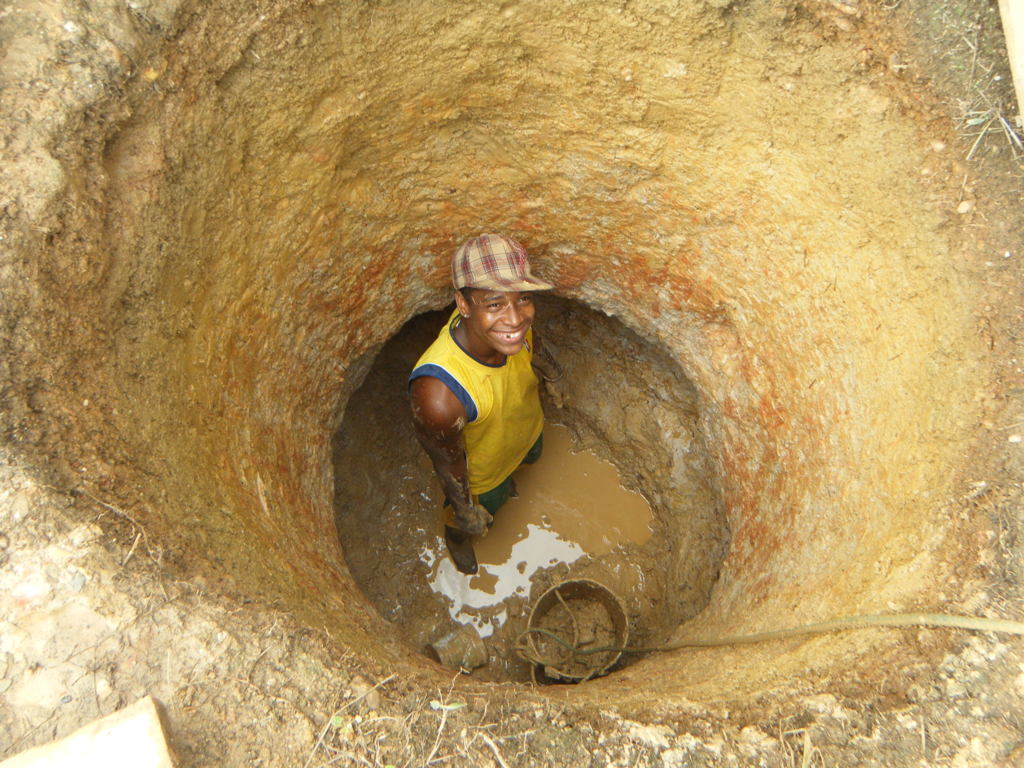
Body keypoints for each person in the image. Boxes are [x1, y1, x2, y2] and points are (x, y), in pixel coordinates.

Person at [409, 234, 554, 574]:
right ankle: (457, 540)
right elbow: (447, 464)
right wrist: (465, 512)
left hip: (526, 431)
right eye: (494, 304)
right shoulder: (440, 395)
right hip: (485, 476)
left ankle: (513, 478)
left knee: (527, 462)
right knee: (478, 515)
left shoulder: (511, 331)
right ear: (463, 304)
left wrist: (549, 376)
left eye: (523, 299)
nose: (516, 319)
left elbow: (533, 349)